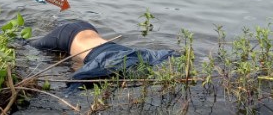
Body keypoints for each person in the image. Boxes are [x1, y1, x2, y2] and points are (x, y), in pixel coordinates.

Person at [29, 20, 178, 89]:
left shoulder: (142, 55)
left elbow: (167, 54)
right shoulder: (107, 63)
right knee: (30, 45)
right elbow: (76, 79)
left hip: (87, 28)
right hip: (65, 35)